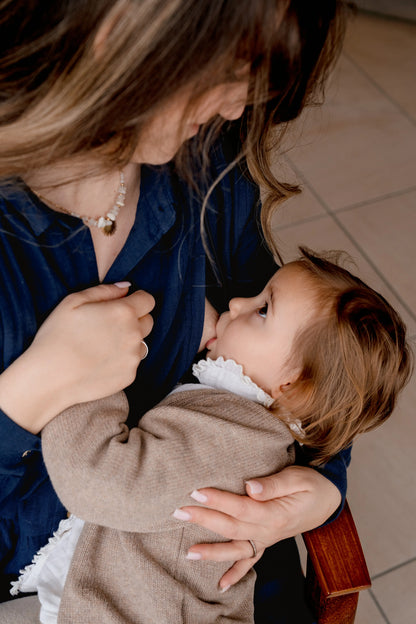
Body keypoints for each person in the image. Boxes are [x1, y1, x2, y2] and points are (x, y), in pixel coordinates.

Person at [0, 0, 354, 620]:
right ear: (126, 34)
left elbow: (309, 349)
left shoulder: (208, 160)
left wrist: (319, 489)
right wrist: (26, 398)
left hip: (193, 549)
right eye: (229, 74)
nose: (239, 108)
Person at [10, 248, 412, 624]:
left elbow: (103, 483)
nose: (236, 303)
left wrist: (91, 378)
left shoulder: (229, 437)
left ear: (291, 385)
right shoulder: (251, 424)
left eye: (263, 310)